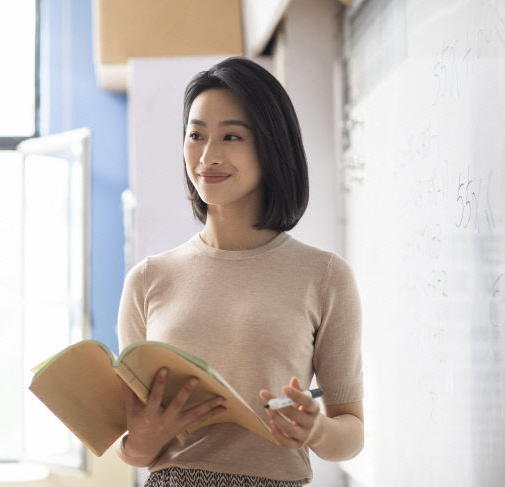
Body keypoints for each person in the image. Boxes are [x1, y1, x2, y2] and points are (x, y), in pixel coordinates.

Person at [112, 57, 364, 486]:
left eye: (231, 136)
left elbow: (351, 431)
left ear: (270, 146)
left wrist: (317, 429)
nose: (207, 156)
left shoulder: (324, 276)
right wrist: (142, 439)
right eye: (196, 135)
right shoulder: (148, 279)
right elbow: (131, 445)